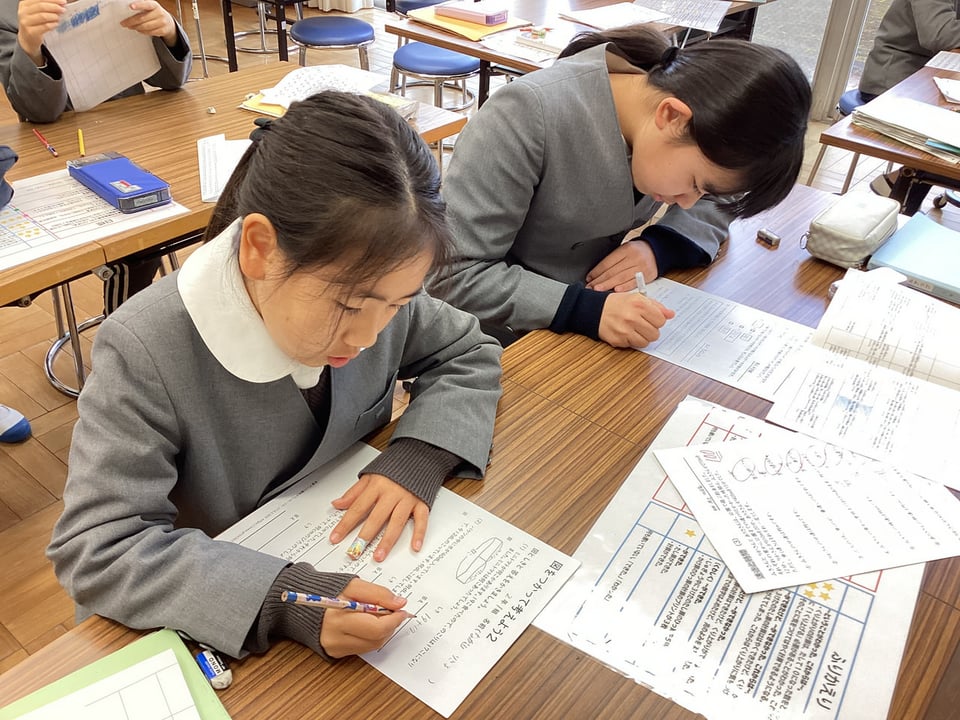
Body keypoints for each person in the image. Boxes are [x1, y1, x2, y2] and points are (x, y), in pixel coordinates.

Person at [47, 92, 503, 661]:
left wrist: (417, 457)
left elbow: (466, 350)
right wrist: (282, 598)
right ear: (260, 248)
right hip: (207, 618)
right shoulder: (145, 347)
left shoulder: (378, 286)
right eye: (349, 306)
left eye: (398, 304)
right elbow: (100, 548)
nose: (369, 335)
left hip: (334, 551)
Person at [430, 25, 811, 349]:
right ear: (672, 116)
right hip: (499, 337)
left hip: (593, 315)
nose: (688, 202)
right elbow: (453, 274)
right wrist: (581, 309)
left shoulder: (675, 113)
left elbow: (724, 192)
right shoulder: (526, 114)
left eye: (702, 191)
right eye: (694, 184)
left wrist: (660, 246)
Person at [0, 0, 194, 312]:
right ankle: (122, 328)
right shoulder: (9, 13)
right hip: (60, 156)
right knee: (135, 242)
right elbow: (40, 111)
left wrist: (168, 31)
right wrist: (30, 47)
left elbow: (171, 81)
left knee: (176, 211)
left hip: (138, 142)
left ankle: (153, 321)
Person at [858, 0, 960, 196]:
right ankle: (902, 184)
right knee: (950, 128)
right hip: (896, 79)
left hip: (934, 76)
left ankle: (900, 183)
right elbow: (941, 34)